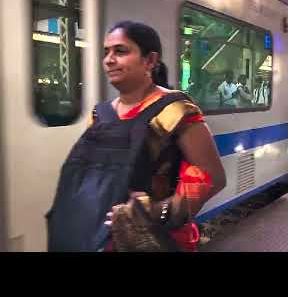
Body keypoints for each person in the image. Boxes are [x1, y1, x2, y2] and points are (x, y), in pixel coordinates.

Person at [48, 20, 226, 252]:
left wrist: (156, 211)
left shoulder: (175, 109)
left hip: (157, 240)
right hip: (100, 239)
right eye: (106, 52)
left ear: (150, 60)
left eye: (120, 51)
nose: (109, 59)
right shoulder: (100, 114)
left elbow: (213, 177)